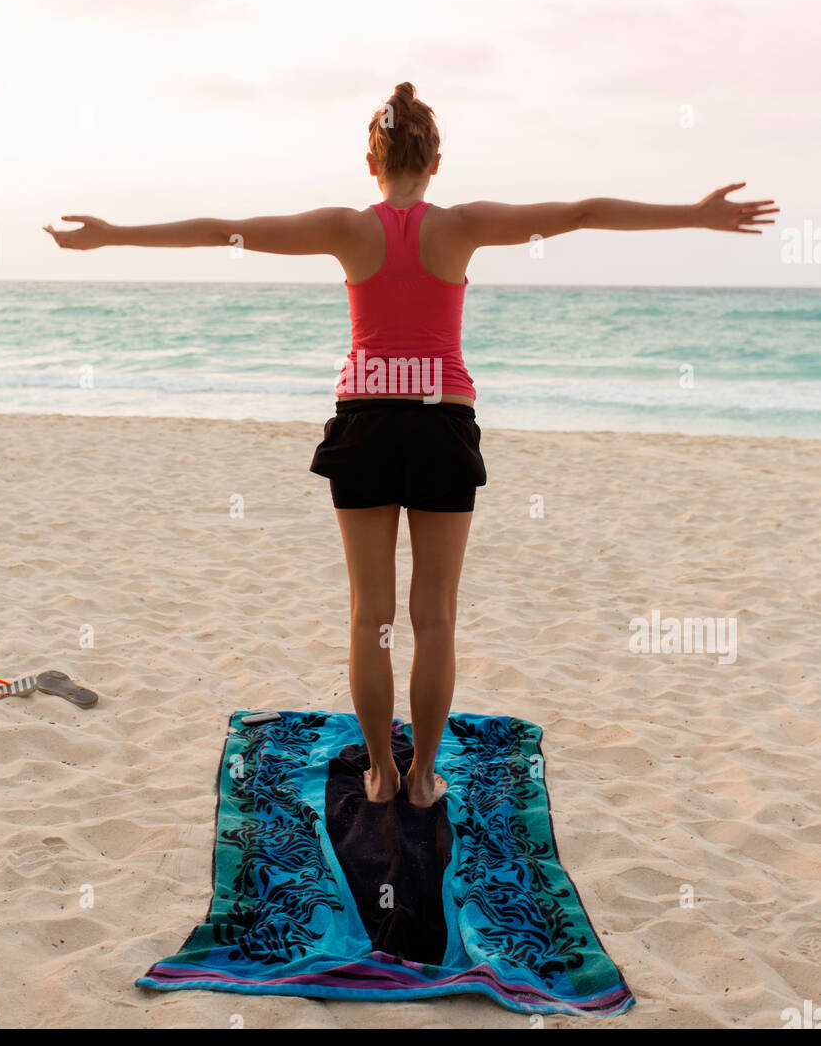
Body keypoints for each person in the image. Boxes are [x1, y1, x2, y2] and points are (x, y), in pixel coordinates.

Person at [44, 81, 779, 806]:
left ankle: (380, 774)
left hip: (364, 424)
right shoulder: (462, 225)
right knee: (435, 616)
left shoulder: (345, 227)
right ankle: (424, 775)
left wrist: (112, 235)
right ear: (434, 163)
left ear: (373, 163)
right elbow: (583, 212)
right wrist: (698, 215)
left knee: (372, 615)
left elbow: (223, 228)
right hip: (439, 425)